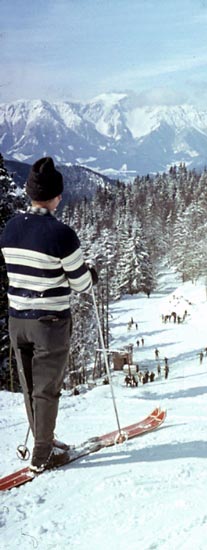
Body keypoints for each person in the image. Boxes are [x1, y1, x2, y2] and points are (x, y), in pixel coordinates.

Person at [0, 157, 97, 474]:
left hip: (18, 320)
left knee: (30, 386)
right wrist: (90, 274)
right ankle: (43, 454)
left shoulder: (10, 228)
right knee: (47, 388)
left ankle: (46, 439)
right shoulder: (62, 235)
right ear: (56, 196)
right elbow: (81, 284)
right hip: (50, 321)